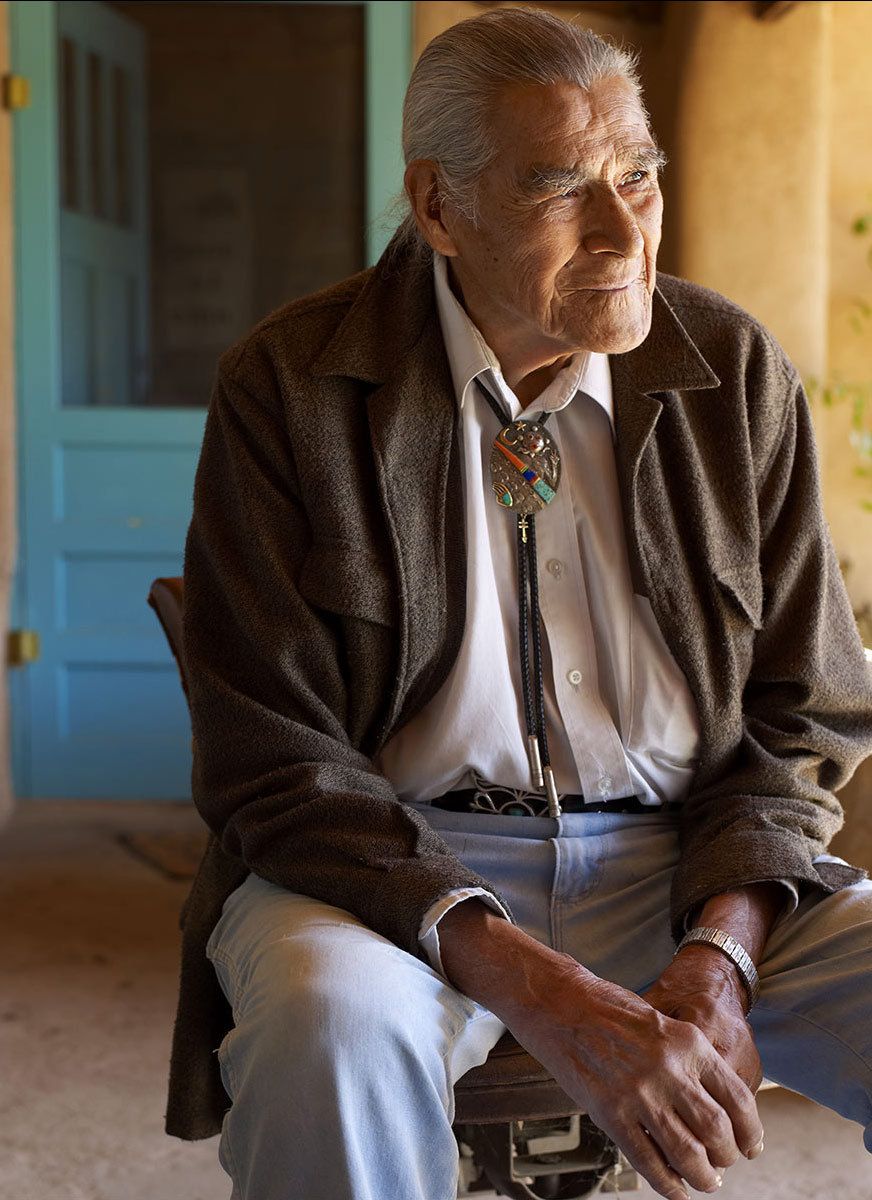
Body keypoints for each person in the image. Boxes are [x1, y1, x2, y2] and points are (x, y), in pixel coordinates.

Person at [164, 10, 872, 1200]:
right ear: (438, 207)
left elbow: (802, 714)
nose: (621, 231)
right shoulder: (291, 385)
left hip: (687, 858)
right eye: (559, 189)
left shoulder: (729, 371)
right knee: (329, 1024)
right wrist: (535, 984)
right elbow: (269, 760)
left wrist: (717, 951)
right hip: (390, 873)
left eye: (636, 177)